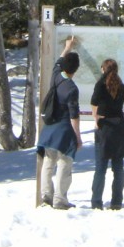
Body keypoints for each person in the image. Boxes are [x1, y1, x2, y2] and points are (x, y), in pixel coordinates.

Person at [90, 58, 124, 210]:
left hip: (104, 128)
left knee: (100, 167)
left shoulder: (100, 86)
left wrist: (96, 118)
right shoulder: (121, 87)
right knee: (118, 167)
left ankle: (96, 202)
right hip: (120, 128)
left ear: (103, 69)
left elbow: (93, 103)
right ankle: (116, 202)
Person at [38, 36, 82, 209]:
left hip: (49, 127)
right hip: (64, 129)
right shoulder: (72, 88)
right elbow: (74, 115)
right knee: (65, 162)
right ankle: (60, 199)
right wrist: (77, 137)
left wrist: (67, 47)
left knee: (49, 161)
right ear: (76, 69)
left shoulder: (56, 76)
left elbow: (59, 62)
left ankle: (46, 196)